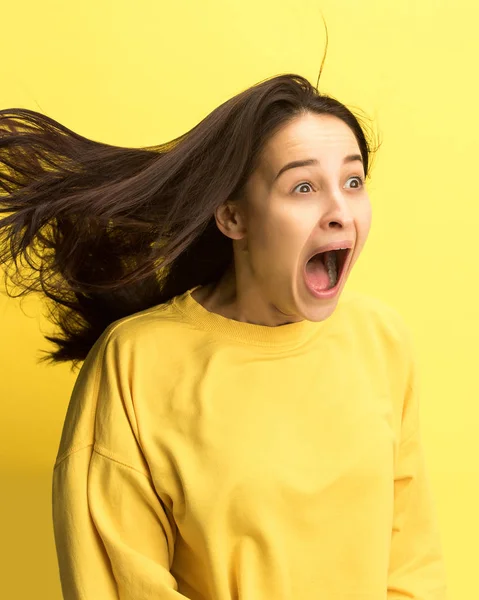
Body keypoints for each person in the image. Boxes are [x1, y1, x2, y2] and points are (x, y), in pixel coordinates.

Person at [0, 73, 448, 599]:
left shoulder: (381, 339)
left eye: (352, 182)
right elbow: (119, 583)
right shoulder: (134, 361)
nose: (340, 213)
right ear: (233, 216)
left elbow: (412, 563)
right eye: (303, 187)